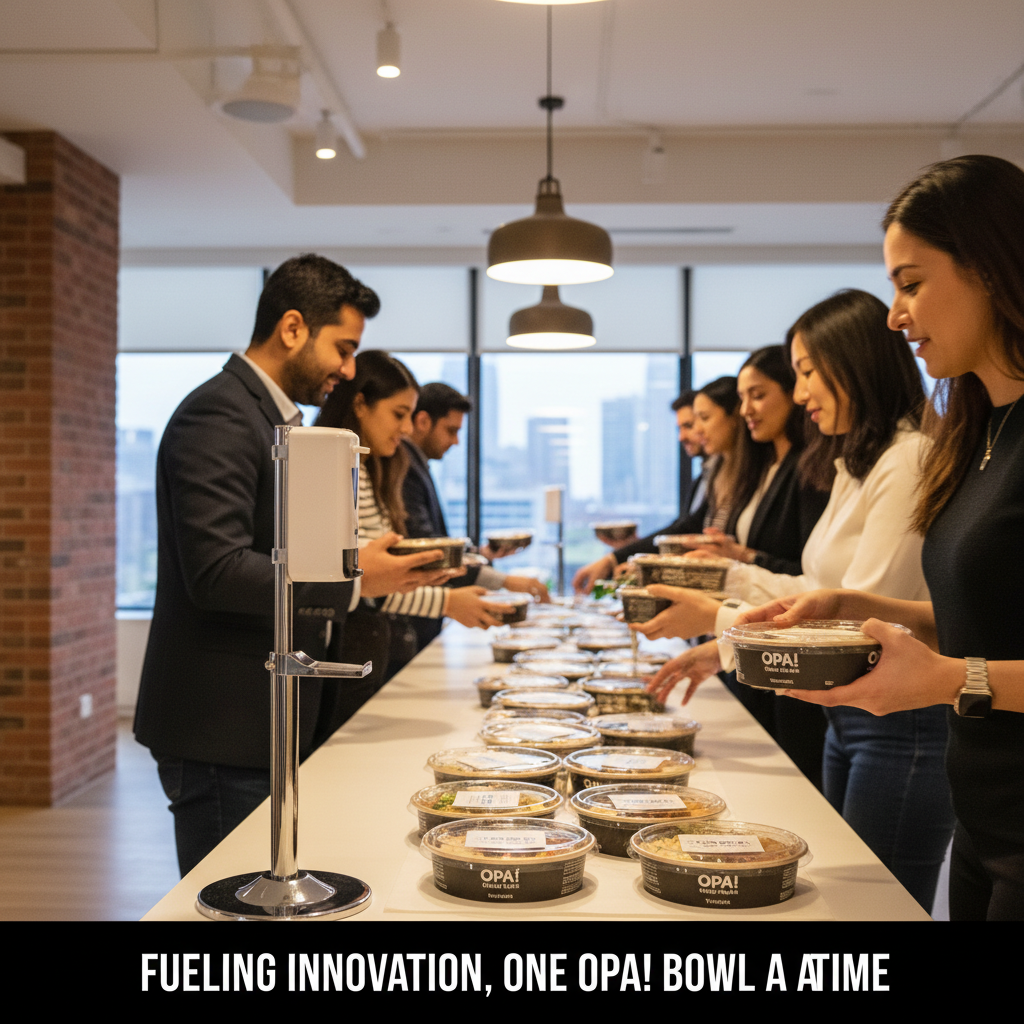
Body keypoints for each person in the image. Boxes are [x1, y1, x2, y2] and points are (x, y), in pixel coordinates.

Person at [735, 155, 1024, 921]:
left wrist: (948, 681)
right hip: (984, 818)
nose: (896, 314)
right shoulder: (978, 436)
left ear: (993, 268)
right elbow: (980, 623)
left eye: (912, 282)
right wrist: (849, 601)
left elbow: (965, 664)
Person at [635, 289, 955, 913]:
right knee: (839, 898)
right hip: (851, 714)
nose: (801, 392)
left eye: (806, 372)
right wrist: (723, 604)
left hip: (900, 720)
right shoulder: (858, 463)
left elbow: (866, 616)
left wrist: (723, 623)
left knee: (874, 906)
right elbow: (818, 596)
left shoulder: (908, 457)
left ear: (853, 362)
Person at [134, 254, 448, 877]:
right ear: (294, 328)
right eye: (345, 347)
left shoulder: (270, 416)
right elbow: (217, 572)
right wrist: (355, 576)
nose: (350, 370)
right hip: (222, 724)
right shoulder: (220, 413)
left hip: (261, 716)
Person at [316, 352, 511, 685]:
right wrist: (446, 601)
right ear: (360, 404)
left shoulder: (372, 468)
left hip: (372, 645)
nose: (405, 429)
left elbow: (380, 577)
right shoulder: (332, 470)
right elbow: (368, 581)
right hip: (347, 650)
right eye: (398, 414)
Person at [692, 346, 832, 787]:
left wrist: (741, 560)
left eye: (757, 395)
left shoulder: (809, 467)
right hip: (759, 636)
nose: (745, 409)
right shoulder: (766, 465)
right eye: (741, 398)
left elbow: (809, 573)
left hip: (791, 646)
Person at [401, 382, 550, 653]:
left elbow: (433, 545)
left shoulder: (416, 465)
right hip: (408, 624)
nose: (456, 441)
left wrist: (482, 554)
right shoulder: (405, 467)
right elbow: (426, 551)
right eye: (451, 430)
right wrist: (502, 580)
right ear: (422, 421)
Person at [572, 379, 739, 594]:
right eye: (686, 426)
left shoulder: (731, 475)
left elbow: (688, 531)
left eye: (698, 421)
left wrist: (621, 557)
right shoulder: (708, 477)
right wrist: (636, 550)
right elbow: (685, 531)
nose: (690, 434)